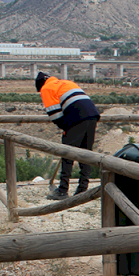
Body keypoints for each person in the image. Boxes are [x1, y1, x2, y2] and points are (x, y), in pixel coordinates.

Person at [36, 71, 101, 200]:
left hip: (77, 117)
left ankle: (62, 190)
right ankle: (83, 190)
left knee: (67, 153)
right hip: (92, 115)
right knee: (86, 153)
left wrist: (66, 128)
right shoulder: (65, 83)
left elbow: (55, 115)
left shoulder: (47, 88)